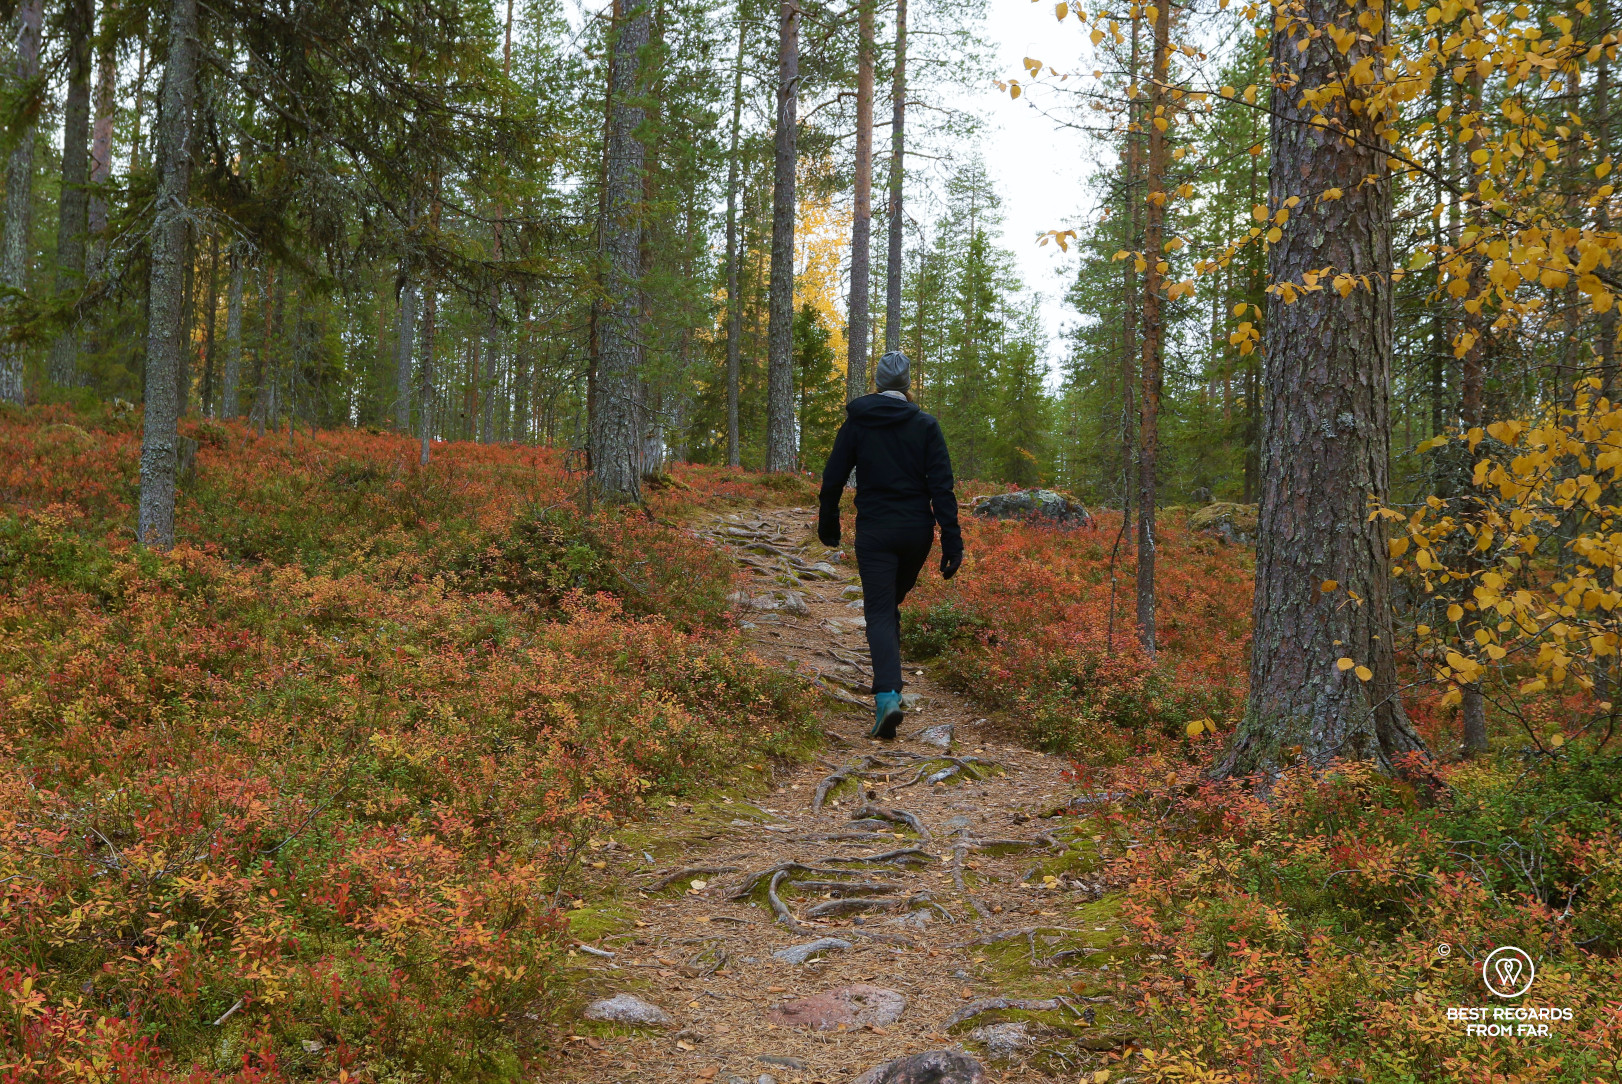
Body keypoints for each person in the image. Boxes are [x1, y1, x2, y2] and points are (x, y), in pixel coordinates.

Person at [818, 350, 962, 740]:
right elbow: (942, 487)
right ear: (907, 385)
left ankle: (886, 696)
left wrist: (828, 521)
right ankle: (890, 689)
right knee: (888, 606)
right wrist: (952, 541)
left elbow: (833, 477)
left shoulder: (858, 422)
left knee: (880, 610)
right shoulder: (925, 425)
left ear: (878, 382)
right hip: (916, 533)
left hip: (876, 531)